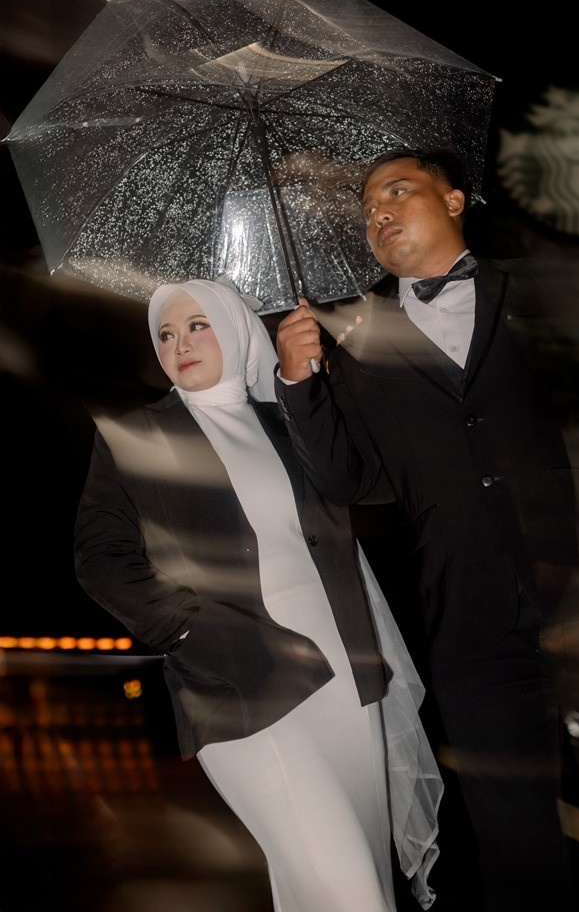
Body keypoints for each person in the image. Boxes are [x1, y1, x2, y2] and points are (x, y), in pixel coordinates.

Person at [273, 147, 579, 911]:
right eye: (368, 208)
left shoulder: (534, 292)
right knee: (511, 827)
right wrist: (300, 384)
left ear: (455, 200)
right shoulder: (356, 336)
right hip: (466, 610)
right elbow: (350, 481)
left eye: (398, 191)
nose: (378, 213)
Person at [74, 276, 443, 912]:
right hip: (236, 682)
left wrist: (303, 382)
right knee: (347, 884)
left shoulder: (287, 420)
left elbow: (359, 481)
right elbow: (101, 560)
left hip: (343, 676)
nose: (179, 344)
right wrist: (189, 629)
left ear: (236, 328)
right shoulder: (133, 435)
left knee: (335, 884)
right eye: (165, 333)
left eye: (197, 326)